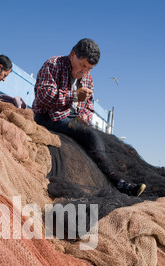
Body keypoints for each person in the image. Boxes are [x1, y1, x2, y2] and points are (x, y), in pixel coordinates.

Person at [32, 38, 146, 197]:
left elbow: (89, 104)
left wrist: (85, 116)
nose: (84, 71)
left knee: (102, 139)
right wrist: (73, 96)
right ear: (73, 55)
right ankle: (119, 182)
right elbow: (43, 96)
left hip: (72, 118)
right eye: (83, 65)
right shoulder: (53, 64)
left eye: (89, 68)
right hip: (49, 116)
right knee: (90, 135)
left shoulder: (88, 78)